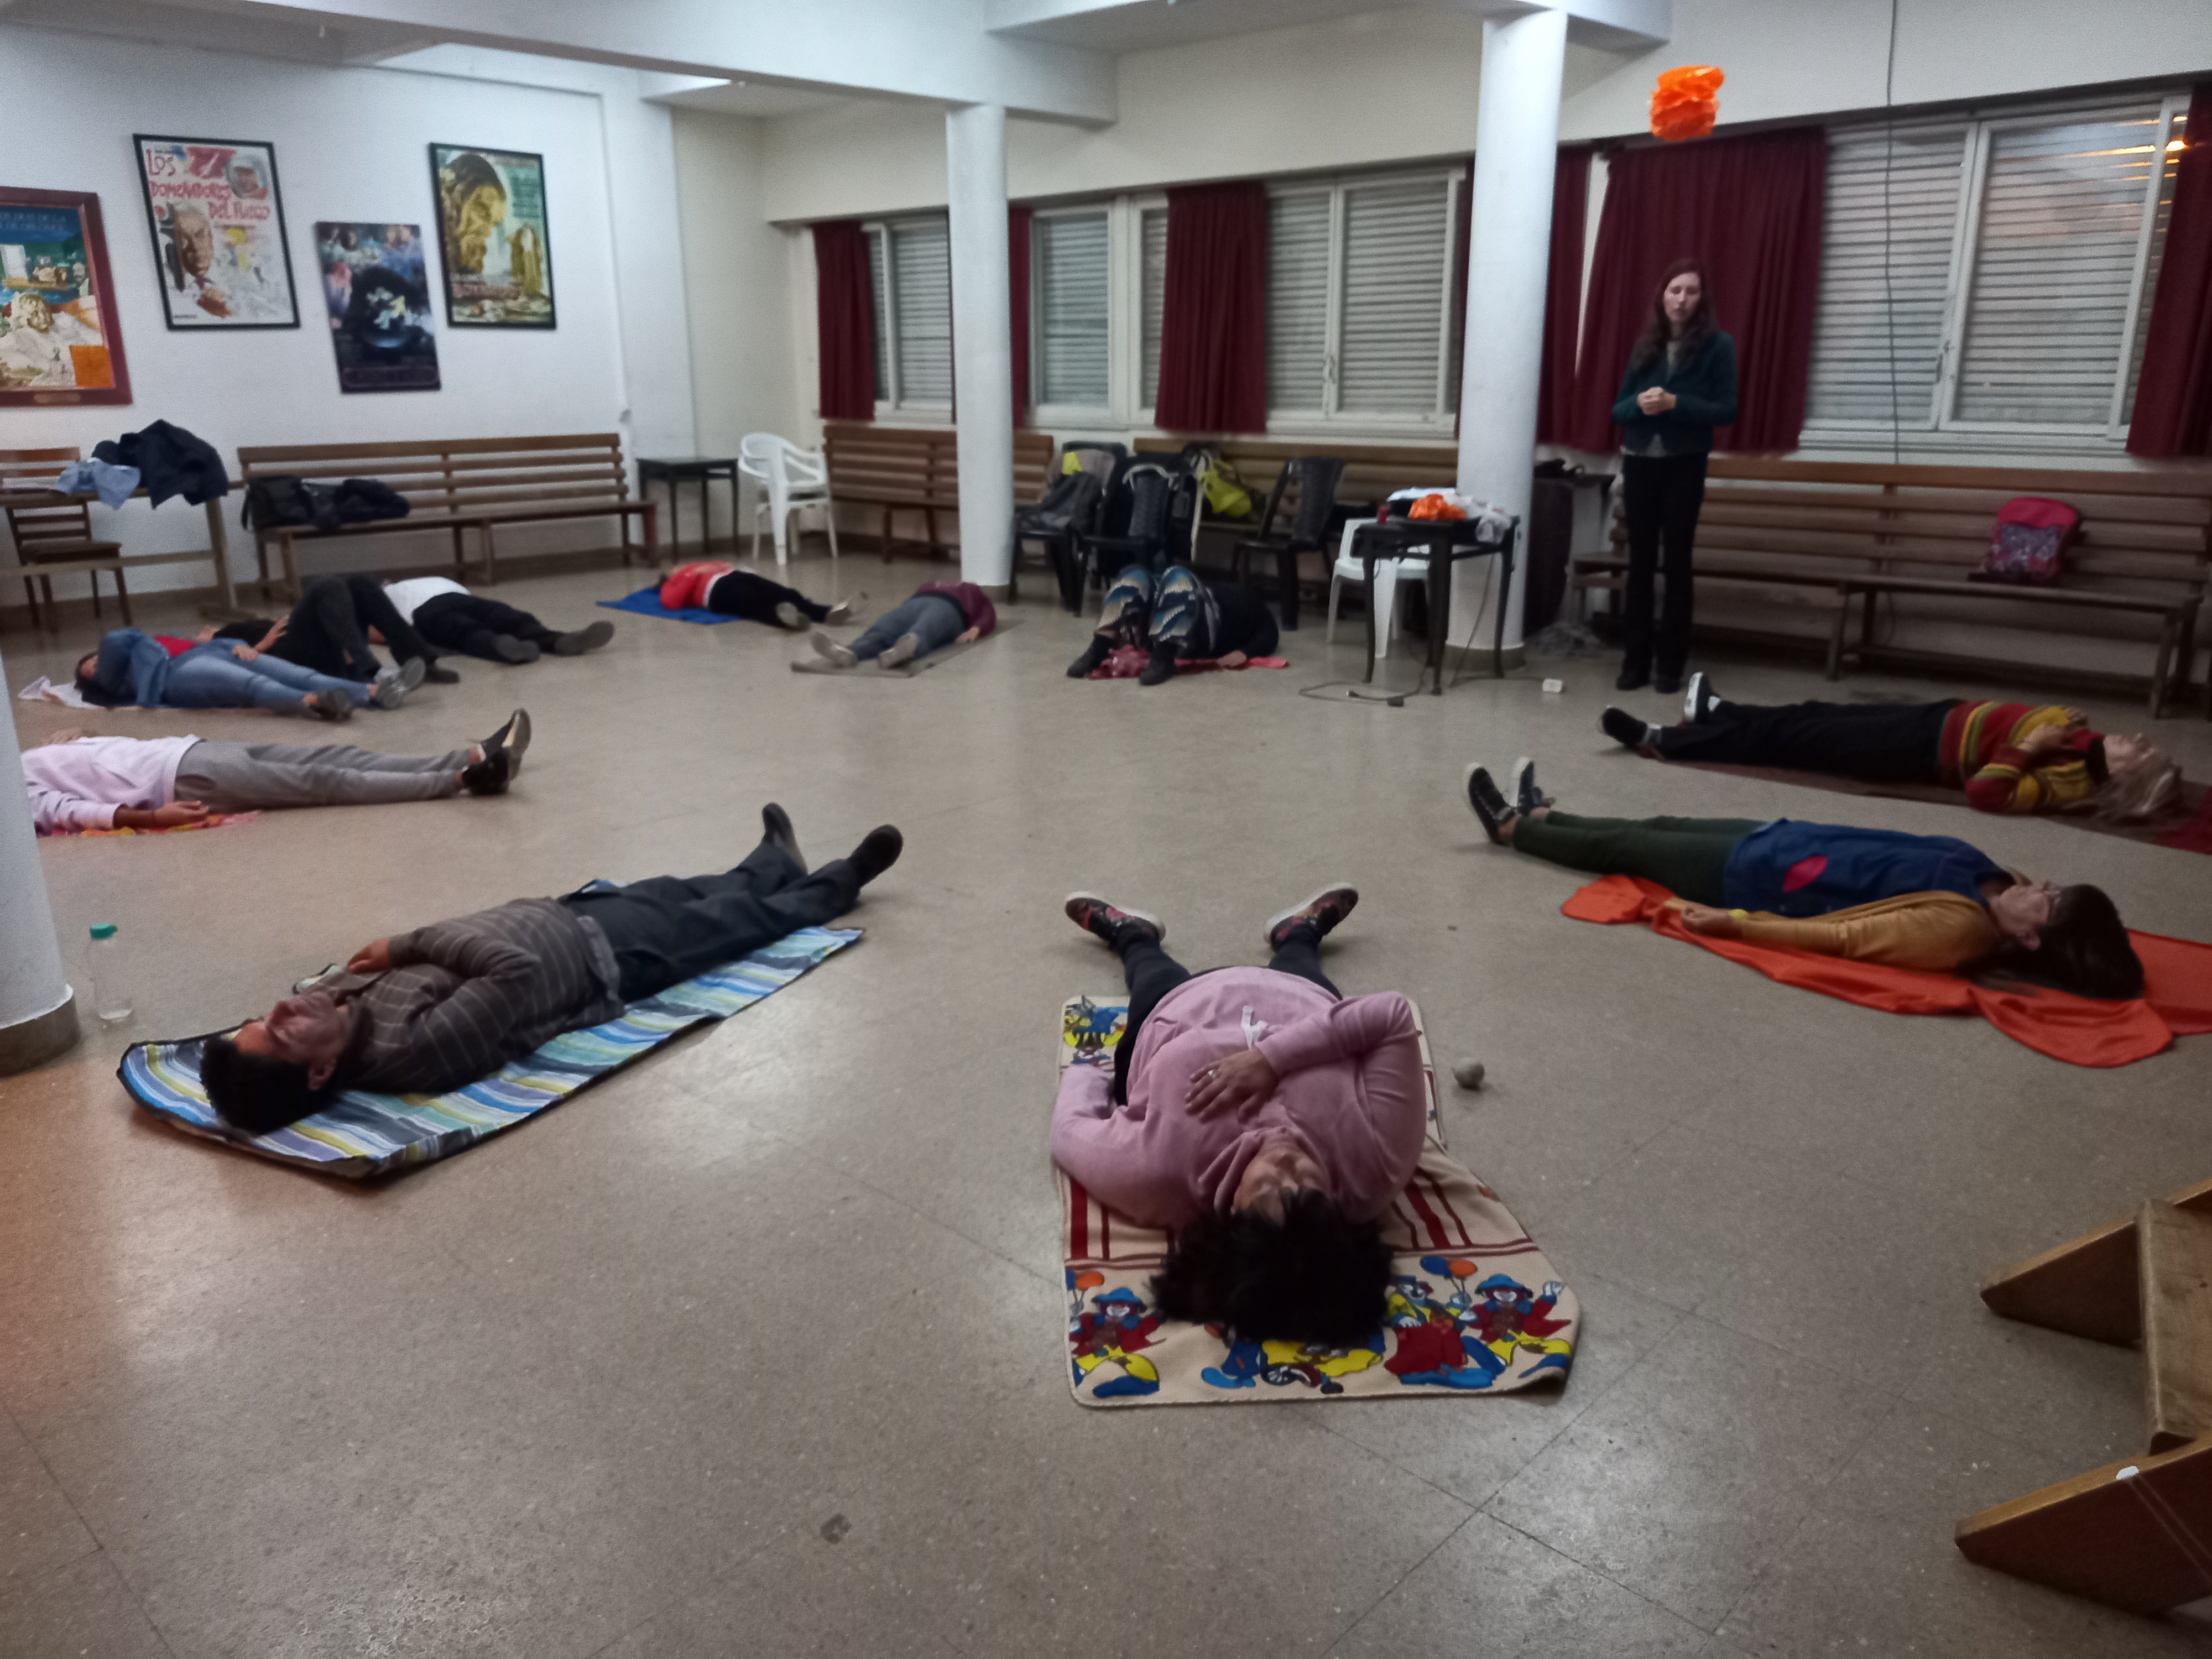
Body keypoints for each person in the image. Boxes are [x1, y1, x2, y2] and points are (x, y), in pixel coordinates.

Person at [200, 806, 905, 1131]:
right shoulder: (413, 1051)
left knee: (687, 890)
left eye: (265, 1017)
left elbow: (342, 993)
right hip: (604, 961)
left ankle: (771, 861)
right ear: (320, 1074)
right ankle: (840, 881)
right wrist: (407, 944)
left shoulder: (331, 1009)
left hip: (568, 914)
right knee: (738, 923)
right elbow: (512, 970)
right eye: (282, 1033)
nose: (286, 1008)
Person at [1052, 884, 1421, 1347]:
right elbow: (1391, 1016)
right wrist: (1271, 1058)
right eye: (1309, 1190)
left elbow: (1069, 1128)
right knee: (1300, 960)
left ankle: (1132, 936)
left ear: (1229, 1220)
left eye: (1268, 1188)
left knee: (1149, 970)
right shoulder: (1377, 1165)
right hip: (1301, 997)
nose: (1286, 1164)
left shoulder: (1155, 1171)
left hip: (1176, 1003)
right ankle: (1300, 932)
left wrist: (1097, 1079)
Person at [1461, 758, 2144, 996]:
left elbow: (1841, 939)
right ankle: (1547, 813)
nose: (2042, 886)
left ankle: (1512, 830)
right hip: (1784, 840)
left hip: (1755, 880)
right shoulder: (2002, 883)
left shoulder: (1959, 930)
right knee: (1656, 822)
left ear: (2030, 940)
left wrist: (1736, 925)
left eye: (2049, 901)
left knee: (1629, 847)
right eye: (2053, 887)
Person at [1601, 673, 2183, 821]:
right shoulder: (2083, 740)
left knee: (1796, 740)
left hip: (1917, 749)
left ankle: (1668, 740)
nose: (2138, 738)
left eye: (2142, 751)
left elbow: (1988, 794)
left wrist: (2029, 746)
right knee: (1812, 715)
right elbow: (2054, 723)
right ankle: (1719, 712)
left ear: (2122, 779)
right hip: (1937, 717)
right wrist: (2055, 729)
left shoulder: (2069, 781)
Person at [22, 710, 529, 833]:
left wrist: (74, 740)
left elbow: (84, 765)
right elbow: (65, 810)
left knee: (335, 758)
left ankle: (468, 757)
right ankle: (463, 781)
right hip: (184, 781)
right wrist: (152, 819)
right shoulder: (13, 789)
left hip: (190, 751)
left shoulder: (19, 762)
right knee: (323, 783)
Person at [1610, 259, 1738, 696]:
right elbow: (1618, 409)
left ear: (1702, 299)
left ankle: (1670, 667)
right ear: (1662, 296)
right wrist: (1640, 404)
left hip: (1685, 464)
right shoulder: (1645, 346)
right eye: (1674, 290)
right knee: (1640, 564)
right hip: (1639, 463)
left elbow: (1726, 410)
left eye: (1691, 291)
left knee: (1677, 564)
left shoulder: (1719, 346)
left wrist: (1675, 403)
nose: (1681, 299)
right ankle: (1635, 663)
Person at [211, 572, 460, 686]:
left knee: (360, 584)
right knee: (327, 586)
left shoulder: (246, 624)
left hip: (322, 646)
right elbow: (217, 660)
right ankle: (371, 671)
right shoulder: (220, 638)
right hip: (290, 653)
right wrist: (261, 646)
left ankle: (421, 660)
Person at [74, 628, 369, 721]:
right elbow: (115, 640)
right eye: (93, 668)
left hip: (216, 650)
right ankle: (316, 701)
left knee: (299, 673)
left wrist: (238, 644)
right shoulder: (118, 678)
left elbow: (203, 641)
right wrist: (138, 640)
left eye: (96, 659)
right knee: (253, 684)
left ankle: (372, 692)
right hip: (178, 674)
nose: (99, 663)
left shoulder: (153, 644)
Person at [1064, 565, 1280, 686]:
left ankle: (1164, 656)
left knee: (1179, 577)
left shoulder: (1249, 603)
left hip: (1197, 634)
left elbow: (1271, 632)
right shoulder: (1233, 593)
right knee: (1135, 575)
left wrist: (1245, 652)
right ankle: (1099, 647)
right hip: (1163, 620)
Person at [380, 576, 613, 665]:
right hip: (424, 611)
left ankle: (559, 641)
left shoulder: (417, 580)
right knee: (462, 629)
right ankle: (502, 647)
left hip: (461, 597)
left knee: (508, 616)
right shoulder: (381, 597)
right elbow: (377, 629)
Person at [810, 580, 994, 670]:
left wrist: (976, 629)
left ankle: (903, 650)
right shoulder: (930, 584)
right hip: (914, 603)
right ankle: (850, 652)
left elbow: (989, 612)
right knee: (885, 627)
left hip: (950, 608)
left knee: (926, 627)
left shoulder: (972, 590)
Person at [657, 560, 853, 630]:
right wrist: (689, 574)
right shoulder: (673, 583)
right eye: (675, 569)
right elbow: (671, 601)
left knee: (782, 592)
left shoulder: (694, 567)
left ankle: (825, 613)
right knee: (754, 603)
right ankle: (785, 619)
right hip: (715, 593)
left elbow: (723, 565)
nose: (680, 567)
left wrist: (698, 569)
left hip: (733, 577)